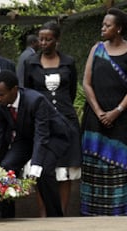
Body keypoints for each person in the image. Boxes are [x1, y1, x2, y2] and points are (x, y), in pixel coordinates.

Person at [81, 8, 127, 216]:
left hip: (125, 122)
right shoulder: (96, 49)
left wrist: (116, 111)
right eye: (103, 24)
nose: (103, 28)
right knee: (95, 170)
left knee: (121, 170)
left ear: (118, 29)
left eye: (107, 25)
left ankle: (124, 213)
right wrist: (100, 112)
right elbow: (86, 83)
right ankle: (94, 213)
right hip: (96, 121)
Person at [0, 70, 72, 218]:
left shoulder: (36, 101)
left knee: (44, 171)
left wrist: (35, 166)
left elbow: (42, 135)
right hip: (26, 138)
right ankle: (6, 217)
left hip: (53, 137)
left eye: (2, 94)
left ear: (14, 90)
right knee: (6, 168)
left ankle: (55, 217)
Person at [24, 21, 81, 217]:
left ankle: (61, 214)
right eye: (41, 39)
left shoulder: (69, 62)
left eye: (48, 39)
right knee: (41, 168)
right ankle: (43, 213)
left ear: (57, 40)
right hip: (41, 124)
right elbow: (27, 92)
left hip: (66, 122)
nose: (44, 43)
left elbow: (71, 90)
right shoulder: (30, 63)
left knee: (64, 172)